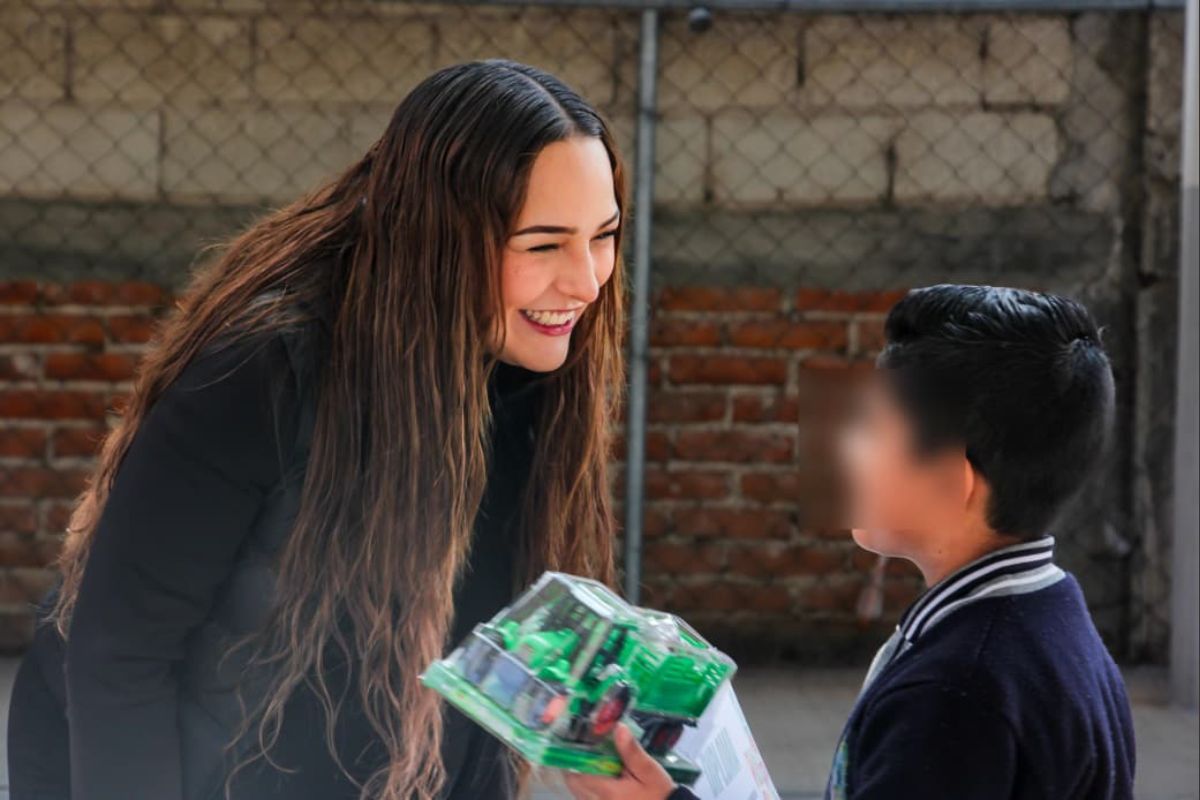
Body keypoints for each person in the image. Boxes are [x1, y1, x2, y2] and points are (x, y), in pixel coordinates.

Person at [7, 59, 626, 800]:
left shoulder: (532, 373)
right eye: (544, 243)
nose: (588, 281)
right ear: (442, 238)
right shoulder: (266, 368)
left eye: (605, 235)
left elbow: (472, 690)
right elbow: (118, 651)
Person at [566, 284, 1135, 800]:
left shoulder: (954, 694)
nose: (845, 448)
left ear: (948, 481)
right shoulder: (1050, 616)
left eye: (870, 427)